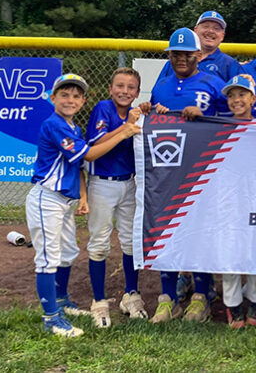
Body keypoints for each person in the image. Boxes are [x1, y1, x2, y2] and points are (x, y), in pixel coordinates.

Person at [25, 73, 140, 337]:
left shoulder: (73, 127)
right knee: (48, 259)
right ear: (52, 98)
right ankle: (51, 318)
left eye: (76, 95)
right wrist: (124, 131)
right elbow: (89, 154)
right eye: (64, 94)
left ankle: (62, 301)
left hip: (64, 200)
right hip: (47, 198)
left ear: (83, 100)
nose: (70, 99)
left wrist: (84, 197)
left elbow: (77, 166)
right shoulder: (55, 125)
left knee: (67, 252)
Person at [140, 27, 226, 324]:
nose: (180, 59)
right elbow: (152, 123)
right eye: (175, 54)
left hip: (203, 167)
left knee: (199, 230)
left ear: (198, 55)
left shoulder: (214, 83)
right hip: (168, 169)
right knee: (166, 227)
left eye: (187, 54)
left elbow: (232, 120)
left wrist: (202, 117)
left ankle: (201, 295)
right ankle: (168, 299)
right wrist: (155, 112)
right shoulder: (162, 85)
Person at [86, 67, 146, 328]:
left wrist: (139, 120)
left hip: (129, 183)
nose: (124, 91)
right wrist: (126, 127)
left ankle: (131, 295)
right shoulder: (104, 108)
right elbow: (95, 145)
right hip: (102, 183)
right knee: (99, 243)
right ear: (111, 89)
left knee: (131, 241)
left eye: (130, 87)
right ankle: (99, 301)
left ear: (136, 92)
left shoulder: (137, 114)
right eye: (119, 86)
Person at [220, 75, 256, 328]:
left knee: (255, 249)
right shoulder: (217, 126)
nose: (237, 100)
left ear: (253, 98)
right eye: (232, 95)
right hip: (228, 200)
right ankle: (233, 305)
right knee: (230, 251)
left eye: (242, 95)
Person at [156, 10, 244, 82]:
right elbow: (159, 92)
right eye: (206, 26)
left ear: (222, 35)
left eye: (216, 28)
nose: (210, 31)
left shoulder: (230, 64)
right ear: (196, 30)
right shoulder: (174, 62)